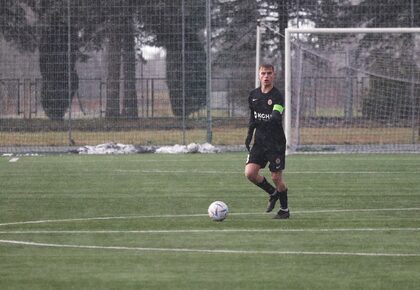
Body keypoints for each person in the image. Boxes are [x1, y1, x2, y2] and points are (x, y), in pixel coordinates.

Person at [244, 63, 290, 219]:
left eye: (269, 73)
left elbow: (276, 117)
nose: (266, 76)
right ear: (258, 75)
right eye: (263, 73)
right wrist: (249, 135)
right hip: (259, 142)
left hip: (275, 143)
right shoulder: (253, 95)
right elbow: (253, 117)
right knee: (250, 173)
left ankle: (284, 210)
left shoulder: (277, 96)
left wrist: (260, 123)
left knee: (276, 177)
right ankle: (272, 193)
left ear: (274, 75)